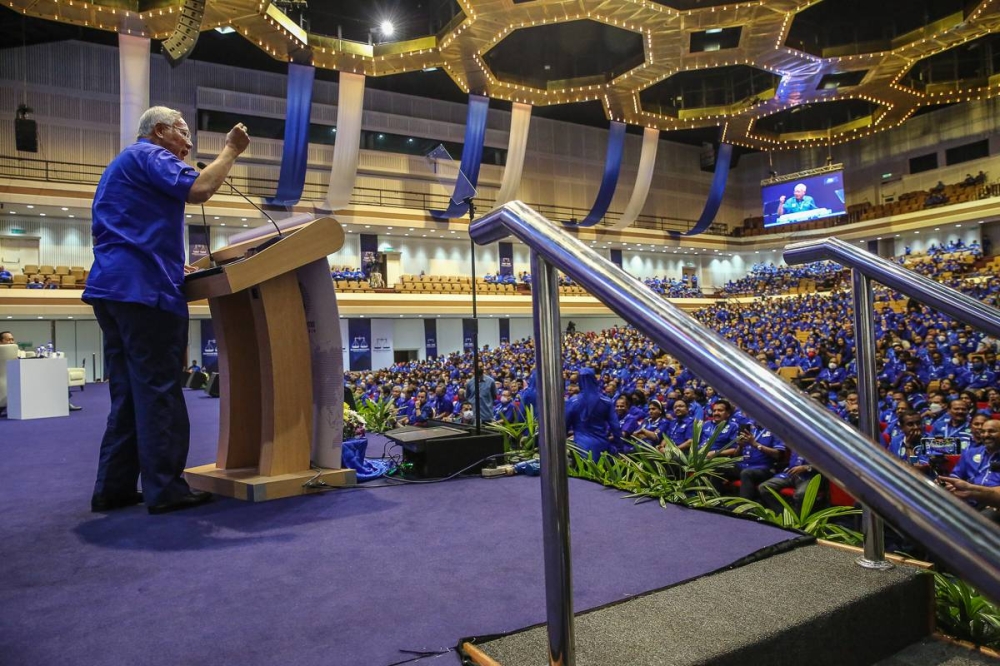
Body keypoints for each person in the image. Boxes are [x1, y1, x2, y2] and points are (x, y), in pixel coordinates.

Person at [83, 106, 249, 515]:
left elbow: (132, 229)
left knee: (127, 393)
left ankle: (114, 488)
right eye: (183, 133)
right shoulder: (149, 154)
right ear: (159, 131)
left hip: (114, 287)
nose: (189, 144)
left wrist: (172, 263)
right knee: (159, 392)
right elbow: (200, 190)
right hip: (144, 291)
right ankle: (165, 490)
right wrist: (230, 150)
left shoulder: (121, 165)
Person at [565, 368, 622, 457]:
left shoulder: (572, 402)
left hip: (579, 448)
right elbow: (616, 427)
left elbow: (564, 426)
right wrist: (619, 448)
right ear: (594, 379)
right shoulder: (606, 401)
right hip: (602, 447)